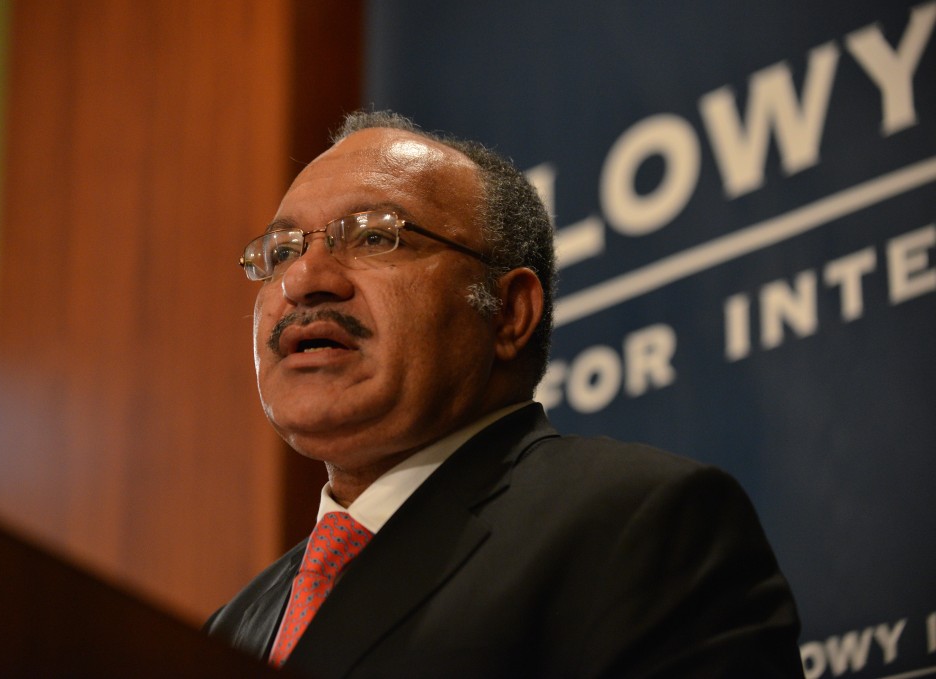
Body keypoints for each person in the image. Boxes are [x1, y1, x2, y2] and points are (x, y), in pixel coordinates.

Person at [205, 110, 803, 677]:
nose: (304, 280)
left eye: (374, 238)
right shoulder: (231, 628)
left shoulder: (639, 527)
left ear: (510, 313)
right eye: (282, 251)